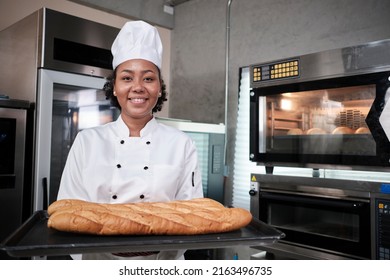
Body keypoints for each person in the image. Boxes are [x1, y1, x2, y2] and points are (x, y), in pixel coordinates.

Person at [57, 20, 204, 260]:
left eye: (148, 78)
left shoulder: (181, 144)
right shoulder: (87, 141)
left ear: (159, 88)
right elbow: (69, 212)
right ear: (114, 87)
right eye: (127, 78)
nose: (138, 87)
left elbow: (190, 216)